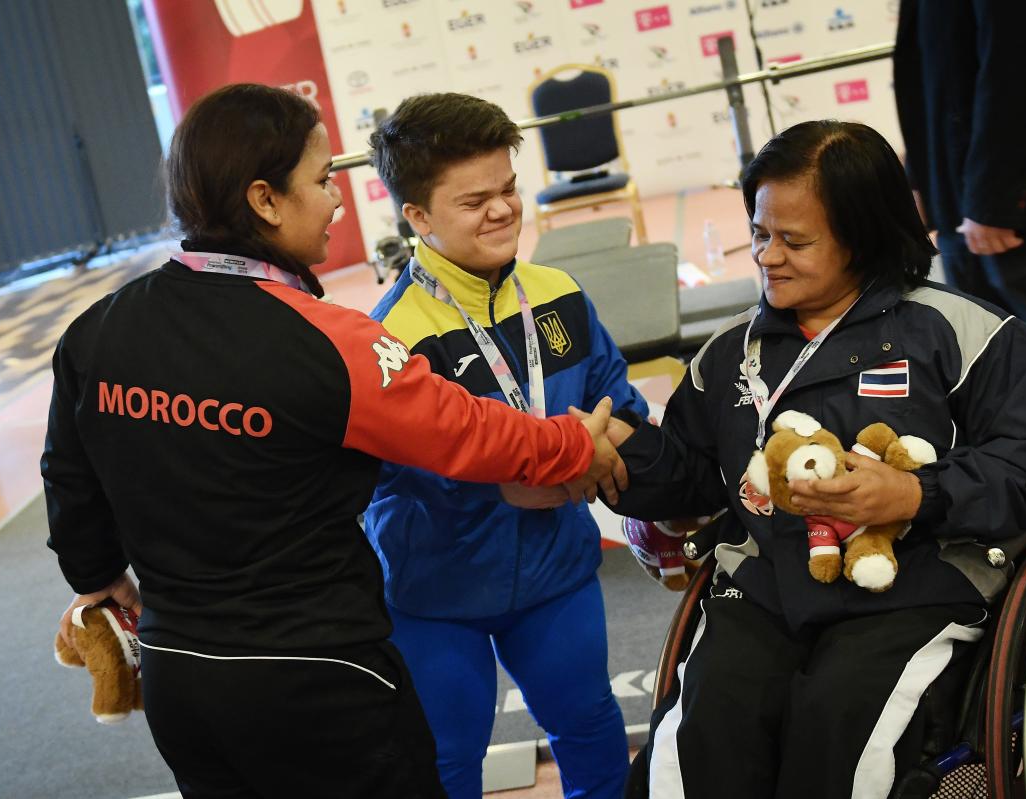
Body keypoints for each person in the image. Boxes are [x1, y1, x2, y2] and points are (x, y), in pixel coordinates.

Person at [41, 83, 627, 799]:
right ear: (265, 201)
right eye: (322, 181)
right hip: (320, 677)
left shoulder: (96, 330)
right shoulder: (333, 341)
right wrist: (573, 446)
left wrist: (102, 576)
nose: (337, 201)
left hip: (181, 678)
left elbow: (68, 482)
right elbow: (466, 431)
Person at [589, 120, 1026, 798]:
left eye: (794, 240)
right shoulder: (730, 354)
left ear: (864, 233)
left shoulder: (963, 334)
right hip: (765, 586)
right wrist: (627, 451)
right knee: (702, 737)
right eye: (760, 234)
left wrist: (914, 495)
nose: (767, 256)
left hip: (916, 583)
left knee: (840, 732)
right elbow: (697, 478)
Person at [362, 92, 644, 799]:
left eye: (509, 188)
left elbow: (624, 409)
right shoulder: (389, 336)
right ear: (418, 217)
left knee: (593, 736)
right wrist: (504, 479)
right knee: (447, 765)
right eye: (474, 200)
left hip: (556, 574)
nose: (503, 210)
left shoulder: (559, 294)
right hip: (434, 593)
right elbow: (380, 477)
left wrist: (571, 463)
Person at [893, 0, 1026, 391]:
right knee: (987, 373)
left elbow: (1021, 65)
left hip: (1019, 204)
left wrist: (996, 200)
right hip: (962, 196)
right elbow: (933, 68)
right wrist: (921, 179)